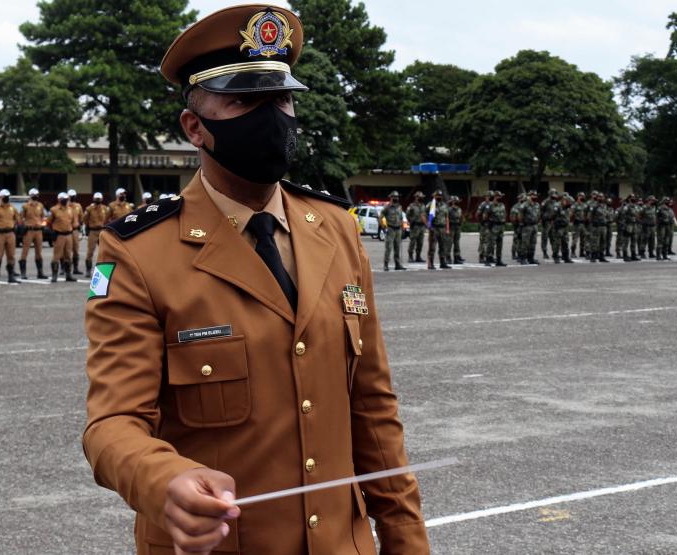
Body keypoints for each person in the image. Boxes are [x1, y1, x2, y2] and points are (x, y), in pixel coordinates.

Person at [83, 6, 429, 554]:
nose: (273, 118)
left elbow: (372, 406)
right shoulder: (138, 251)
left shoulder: (336, 229)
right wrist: (161, 480)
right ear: (195, 128)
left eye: (282, 99)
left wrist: (407, 540)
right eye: (245, 101)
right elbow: (112, 423)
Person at [18, 187, 49, 280]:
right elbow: (20, 218)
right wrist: (24, 225)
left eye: (36, 195)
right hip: (29, 230)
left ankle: (40, 272)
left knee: (39, 252)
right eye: (34, 195)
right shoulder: (25, 206)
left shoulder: (40, 205)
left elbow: (43, 217)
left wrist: (42, 224)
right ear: (30, 196)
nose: (35, 196)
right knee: (25, 251)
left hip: (38, 230)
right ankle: (23, 273)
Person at [48, 192, 76, 282]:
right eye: (63, 199)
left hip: (68, 234)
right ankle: (54, 275)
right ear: (59, 199)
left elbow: (73, 221)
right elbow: (49, 222)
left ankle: (68, 275)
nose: (65, 200)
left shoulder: (70, 209)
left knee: (68, 255)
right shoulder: (54, 210)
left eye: (66, 199)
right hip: (59, 235)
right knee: (57, 255)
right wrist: (52, 231)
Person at [83, 192, 111, 277]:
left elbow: (108, 219)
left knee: (104, 251)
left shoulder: (105, 208)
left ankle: (103, 270)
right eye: (96, 199)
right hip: (93, 231)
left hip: (102, 231)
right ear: (94, 199)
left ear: (102, 199)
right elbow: (85, 220)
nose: (98, 200)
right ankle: (88, 270)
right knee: (90, 252)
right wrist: (87, 228)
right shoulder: (89, 209)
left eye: (99, 199)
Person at [380, 190, 406, 271]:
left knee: (397, 247)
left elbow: (401, 218)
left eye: (397, 197)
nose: (396, 198)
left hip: (398, 229)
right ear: (391, 198)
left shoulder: (399, 207)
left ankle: (397, 264)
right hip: (391, 229)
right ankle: (386, 264)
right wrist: (383, 227)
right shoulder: (387, 207)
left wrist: (403, 227)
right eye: (394, 197)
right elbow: (380, 217)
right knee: (389, 248)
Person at [485, 190, 507, 267]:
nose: (501, 198)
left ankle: (499, 260)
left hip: (501, 226)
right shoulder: (490, 205)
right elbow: (485, 216)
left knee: (500, 244)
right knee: (491, 243)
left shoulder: (502, 205)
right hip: (493, 226)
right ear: (495, 196)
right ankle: (488, 259)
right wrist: (489, 224)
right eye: (499, 196)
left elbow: (504, 215)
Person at [551, 193, 574, 263]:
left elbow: (569, 215)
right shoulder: (557, 206)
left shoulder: (567, 207)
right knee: (557, 243)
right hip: (558, 227)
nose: (567, 201)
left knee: (565, 242)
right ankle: (555, 256)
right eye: (565, 199)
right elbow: (552, 216)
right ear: (561, 199)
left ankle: (565, 257)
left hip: (565, 227)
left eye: (567, 200)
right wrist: (555, 224)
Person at [519, 190, 540, 264]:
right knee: (525, 243)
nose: (535, 197)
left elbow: (538, 214)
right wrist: (522, 223)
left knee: (533, 243)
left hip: (534, 225)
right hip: (527, 226)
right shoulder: (524, 205)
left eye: (535, 195)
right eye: (533, 195)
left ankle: (531, 258)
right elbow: (520, 215)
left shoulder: (537, 204)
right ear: (529, 196)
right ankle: (523, 258)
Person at [587, 191, 609, 262]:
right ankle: (593, 256)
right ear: (597, 198)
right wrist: (593, 223)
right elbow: (589, 216)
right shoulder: (593, 206)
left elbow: (607, 216)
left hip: (603, 226)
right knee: (595, 242)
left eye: (602, 197)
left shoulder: (604, 206)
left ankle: (601, 256)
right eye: (600, 197)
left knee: (603, 242)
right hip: (596, 227)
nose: (601, 198)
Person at [405, 191, 426, 263]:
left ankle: (418, 256)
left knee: (420, 242)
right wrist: (411, 221)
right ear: (416, 197)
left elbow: (424, 215)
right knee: (413, 242)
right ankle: (410, 257)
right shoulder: (412, 206)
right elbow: (407, 214)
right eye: (420, 197)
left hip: (422, 226)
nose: (422, 198)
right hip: (415, 226)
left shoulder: (423, 205)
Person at [68, 189, 84, 275]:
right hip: (67, 230)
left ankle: (75, 268)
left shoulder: (78, 206)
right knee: (66, 250)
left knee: (76, 250)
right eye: (71, 196)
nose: (73, 197)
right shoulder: (65, 206)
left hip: (75, 230)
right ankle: (65, 268)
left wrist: (81, 228)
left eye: (74, 196)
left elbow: (81, 218)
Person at [540, 189, 558, 259]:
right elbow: (541, 211)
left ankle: (554, 252)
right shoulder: (545, 202)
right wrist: (543, 220)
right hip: (546, 222)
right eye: (553, 194)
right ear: (550, 194)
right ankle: (545, 252)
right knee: (544, 238)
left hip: (553, 222)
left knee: (553, 238)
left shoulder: (555, 202)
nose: (554, 195)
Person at [477, 191, 493, 263]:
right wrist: (481, 222)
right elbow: (477, 214)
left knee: (491, 241)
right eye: (487, 196)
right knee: (483, 241)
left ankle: (490, 256)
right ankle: (481, 256)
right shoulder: (483, 204)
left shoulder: (493, 204)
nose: (487, 198)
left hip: (491, 225)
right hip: (484, 225)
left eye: (489, 196)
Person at [570, 192, 588, 259]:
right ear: (577, 197)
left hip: (583, 224)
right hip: (576, 224)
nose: (582, 197)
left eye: (583, 196)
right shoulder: (574, 205)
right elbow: (571, 214)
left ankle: (581, 252)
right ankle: (572, 252)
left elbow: (587, 214)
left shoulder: (585, 205)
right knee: (575, 239)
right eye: (580, 196)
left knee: (583, 239)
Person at [448, 195, 465, 264]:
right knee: (449, 243)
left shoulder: (459, 209)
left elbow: (461, 217)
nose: (457, 202)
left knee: (457, 243)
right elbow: (447, 219)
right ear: (452, 202)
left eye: (457, 201)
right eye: (455, 201)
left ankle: (457, 257)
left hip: (457, 227)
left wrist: (462, 221)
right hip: (451, 226)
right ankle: (447, 257)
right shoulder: (449, 209)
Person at [509, 192, 524, 262]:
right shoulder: (515, 207)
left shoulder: (524, 206)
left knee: (521, 241)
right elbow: (512, 218)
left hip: (523, 226)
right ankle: (514, 254)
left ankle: (520, 254)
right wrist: (516, 225)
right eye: (522, 198)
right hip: (517, 226)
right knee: (516, 241)